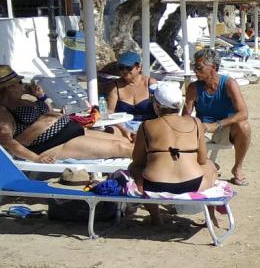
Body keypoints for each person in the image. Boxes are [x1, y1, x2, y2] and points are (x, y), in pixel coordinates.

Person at [0, 65, 132, 163]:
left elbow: (48, 114)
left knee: (124, 141)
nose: (22, 85)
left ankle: (150, 159)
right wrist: (36, 158)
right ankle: (152, 167)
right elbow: (8, 142)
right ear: (9, 87)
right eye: (19, 82)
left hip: (71, 130)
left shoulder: (24, 100)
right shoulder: (3, 111)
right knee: (120, 147)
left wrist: (40, 97)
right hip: (55, 143)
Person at [130, 81, 217, 195]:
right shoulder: (196, 123)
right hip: (193, 183)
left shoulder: (146, 125)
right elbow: (202, 159)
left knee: (133, 168)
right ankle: (210, 212)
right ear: (180, 104)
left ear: (156, 105)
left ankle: (154, 213)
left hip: (155, 184)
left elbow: (138, 161)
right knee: (210, 165)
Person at [184, 49, 252, 185]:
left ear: (213, 67)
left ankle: (237, 167)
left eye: (199, 67)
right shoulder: (193, 88)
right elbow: (185, 117)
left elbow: (243, 113)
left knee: (244, 126)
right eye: (194, 67)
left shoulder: (228, 84)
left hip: (224, 129)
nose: (195, 71)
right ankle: (210, 165)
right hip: (203, 130)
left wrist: (218, 124)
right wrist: (197, 125)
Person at [105, 51, 156, 124]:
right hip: (124, 125)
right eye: (121, 68)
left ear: (139, 68)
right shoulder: (115, 86)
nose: (124, 71)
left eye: (128, 68)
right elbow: (110, 112)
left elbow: (161, 110)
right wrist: (123, 130)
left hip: (148, 124)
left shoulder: (150, 83)